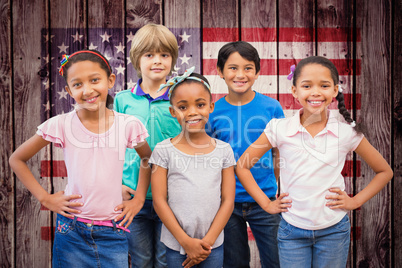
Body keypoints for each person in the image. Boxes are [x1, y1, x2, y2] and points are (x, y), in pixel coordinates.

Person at [236, 56, 393, 268]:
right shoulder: (279, 129)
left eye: (324, 85)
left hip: (333, 230)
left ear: (335, 90)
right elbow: (242, 165)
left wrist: (355, 202)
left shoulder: (345, 132)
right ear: (294, 91)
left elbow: (385, 171)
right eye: (307, 86)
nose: (316, 92)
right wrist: (266, 203)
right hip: (291, 231)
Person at [9, 50, 152, 267]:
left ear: (110, 80)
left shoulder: (128, 124)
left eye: (95, 80)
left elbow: (147, 159)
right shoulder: (61, 124)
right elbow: (16, 159)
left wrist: (139, 199)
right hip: (71, 230)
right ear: (68, 90)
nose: (87, 90)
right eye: (77, 85)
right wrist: (45, 198)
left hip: (113, 230)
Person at [206, 41, 284, 267]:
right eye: (233, 68)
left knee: (276, 260)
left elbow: (278, 153)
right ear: (220, 71)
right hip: (226, 203)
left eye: (248, 68)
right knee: (234, 262)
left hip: (265, 199)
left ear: (258, 72)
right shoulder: (213, 111)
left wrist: (273, 184)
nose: (240, 74)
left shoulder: (271, 107)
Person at [150, 67, 236, 268]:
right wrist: (186, 242)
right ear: (172, 111)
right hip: (176, 244)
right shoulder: (164, 150)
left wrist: (207, 243)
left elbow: (228, 200)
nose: (192, 112)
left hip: (212, 245)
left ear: (211, 106)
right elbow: (159, 201)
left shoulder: (224, 150)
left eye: (200, 104)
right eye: (183, 107)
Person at [113, 23, 181, 267]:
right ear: (136, 59)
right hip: (132, 195)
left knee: (166, 260)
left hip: (172, 195)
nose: (158, 61)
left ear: (172, 60)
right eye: (149, 55)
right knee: (140, 260)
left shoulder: (180, 99)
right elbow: (114, 149)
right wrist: (118, 184)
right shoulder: (123, 100)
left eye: (164, 55)